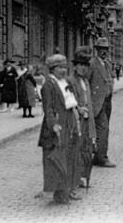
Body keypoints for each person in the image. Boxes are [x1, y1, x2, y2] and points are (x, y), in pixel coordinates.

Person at [38, 54, 81, 205]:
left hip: (68, 121)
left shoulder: (64, 82)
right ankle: (58, 193)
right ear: (52, 69)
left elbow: (71, 101)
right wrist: (53, 125)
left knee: (68, 157)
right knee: (56, 160)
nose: (63, 70)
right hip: (57, 125)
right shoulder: (48, 85)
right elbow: (48, 108)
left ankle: (67, 190)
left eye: (64, 67)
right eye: (60, 68)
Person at [68, 46, 96, 188]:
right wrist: (78, 108)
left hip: (86, 119)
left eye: (85, 65)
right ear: (75, 66)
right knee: (77, 149)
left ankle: (83, 176)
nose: (83, 68)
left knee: (87, 148)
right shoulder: (70, 81)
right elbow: (68, 100)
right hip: (76, 120)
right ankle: (75, 178)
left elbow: (89, 100)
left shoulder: (85, 81)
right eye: (81, 65)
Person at [88, 37, 116, 167]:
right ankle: (102, 158)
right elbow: (87, 83)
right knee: (103, 129)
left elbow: (110, 80)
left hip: (107, 101)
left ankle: (98, 155)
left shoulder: (108, 64)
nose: (104, 52)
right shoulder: (92, 64)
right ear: (97, 50)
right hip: (96, 102)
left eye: (106, 50)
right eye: (102, 49)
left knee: (103, 130)